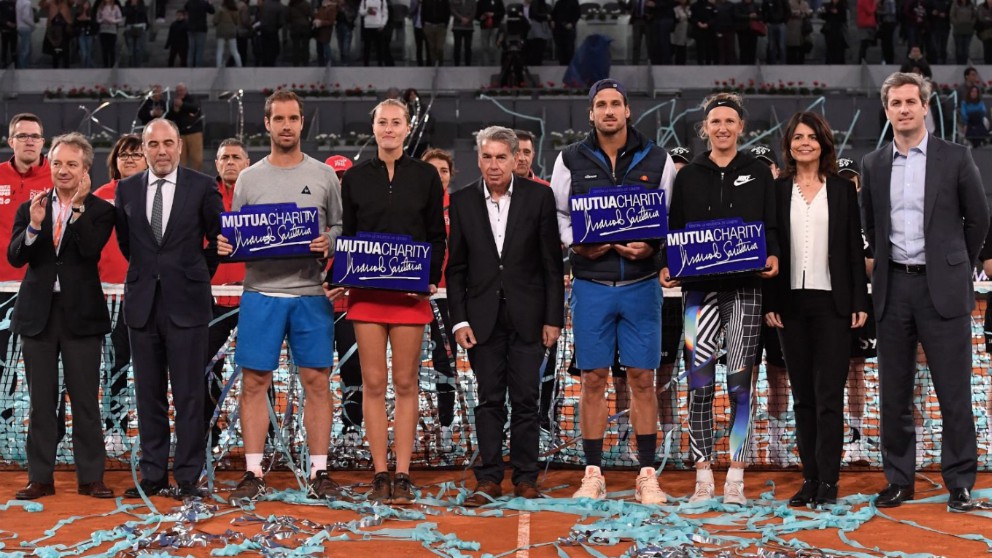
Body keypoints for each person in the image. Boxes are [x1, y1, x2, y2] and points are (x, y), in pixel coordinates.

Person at [862, 72, 989, 512]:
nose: (903, 109)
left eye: (910, 101)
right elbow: (871, 227)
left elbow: (979, 220)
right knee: (894, 393)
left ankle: (960, 484)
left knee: (954, 392)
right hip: (893, 288)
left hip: (944, 291)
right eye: (895, 103)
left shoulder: (956, 157)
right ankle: (900, 481)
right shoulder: (873, 164)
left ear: (924, 106)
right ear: (887, 110)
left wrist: (954, 262)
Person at [551, 79, 674, 504]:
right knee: (592, 379)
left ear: (627, 111)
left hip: (641, 287)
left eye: (615, 104)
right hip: (591, 285)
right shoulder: (568, 159)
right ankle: (593, 473)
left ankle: (645, 474)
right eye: (600, 104)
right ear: (591, 113)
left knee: (644, 379)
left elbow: (670, 219)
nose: (608, 111)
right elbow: (560, 215)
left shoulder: (658, 159)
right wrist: (576, 243)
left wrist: (652, 247)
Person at [219, 91, 342, 504]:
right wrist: (227, 244)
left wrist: (330, 240)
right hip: (260, 295)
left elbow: (341, 227)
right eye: (279, 119)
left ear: (302, 123)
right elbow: (238, 237)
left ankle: (320, 470)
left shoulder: (325, 175)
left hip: (311, 294)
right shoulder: (249, 178)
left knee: (316, 382)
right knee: (255, 382)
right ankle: (253, 471)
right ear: (267, 124)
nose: (286, 126)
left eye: (293, 118)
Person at [660, 91, 779, 505]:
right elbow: (673, 229)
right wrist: (667, 261)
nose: (723, 128)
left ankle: (736, 477)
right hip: (698, 294)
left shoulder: (758, 173)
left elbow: (773, 224)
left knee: (741, 385)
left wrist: (775, 253)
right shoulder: (688, 175)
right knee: (699, 386)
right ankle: (703, 475)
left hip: (746, 290)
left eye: (730, 121)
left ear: (741, 128)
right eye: (715, 122)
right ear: (705, 128)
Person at [334, 98, 446, 504]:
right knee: (374, 384)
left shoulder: (426, 177)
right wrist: (342, 276)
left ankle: (403, 472)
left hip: (409, 295)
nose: (389, 129)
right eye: (383, 122)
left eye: (396, 122)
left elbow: (437, 235)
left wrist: (428, 279)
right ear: (374, 127)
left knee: (405, 383)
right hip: (366, 296)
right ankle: (380, 472)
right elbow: (348, 234)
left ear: (407, 128)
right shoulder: (355, 178)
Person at [448, 127, 563, 506]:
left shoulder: (540, 198)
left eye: (501, 157)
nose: (493, 165)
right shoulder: (461, 201)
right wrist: (460, 320)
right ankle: (489, 478)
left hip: (530, 318)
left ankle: (527, 477)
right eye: (487, 157)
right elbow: (457, 269)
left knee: (528, 399)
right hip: (481, 320)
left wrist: (554, 318)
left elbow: (551, 264)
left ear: (516, 159)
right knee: (489, 399)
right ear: (478, 160)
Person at [763, 112, 868, 507]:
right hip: (790, 305)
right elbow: (769, 248)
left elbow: (853, 252)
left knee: (829, 397)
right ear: (788, 144)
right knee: (803, 398)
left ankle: (829, 480)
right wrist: (771, 300)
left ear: (823, 143)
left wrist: (859, 300)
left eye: (811, 137)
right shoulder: (775, 191)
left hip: (834, 305)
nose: (804, 142)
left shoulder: (843, 190)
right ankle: (809, 478)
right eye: (797, 137)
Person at [116, 118, 223, 500]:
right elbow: (129, 245)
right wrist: (152, 273)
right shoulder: (126, 189)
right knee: (148, 393)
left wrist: (196, 274)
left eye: (167, 143)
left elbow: (218, 238)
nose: (160, 151)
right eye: (152, 144)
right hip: (142, 306)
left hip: (188, 305)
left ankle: (190, 476)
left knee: (191, 393)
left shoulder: (202, 185)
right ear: (142, 149)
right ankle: (154, 475)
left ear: (180, 146)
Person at [8, 133, 116, 501]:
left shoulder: (102, 210)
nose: (63, 170)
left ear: (85, 169)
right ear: (49, 166)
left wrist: (81, 206)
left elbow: (87, 250)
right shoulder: (31, 207)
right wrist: (36, 225)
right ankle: (40, 478)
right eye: (57, 163)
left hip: (82, 319)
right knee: (41, 402)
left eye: (72, 164)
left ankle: (91, 478)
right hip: (37, 317)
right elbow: (16, 257)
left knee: (85, 401)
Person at [93, 134, 146, 456]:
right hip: (111, 299)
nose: (129, 159)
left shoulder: (159, 195)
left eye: (136, 154)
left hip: (149, 296)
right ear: (114, 160)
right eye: (124, 154)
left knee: (155, 367)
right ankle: (115, 428)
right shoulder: (99, 197)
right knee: (115, 366)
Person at [0, 114, 52, 425]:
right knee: (1, 363)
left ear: (43, 142)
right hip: (0, 286)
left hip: (40, 287)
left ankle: (49, 430)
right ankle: (4, 428)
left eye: (35, 135)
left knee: (44, 364)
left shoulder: (57, 176)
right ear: (11, 142)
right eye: (22, 136)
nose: (29, 140)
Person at [746, 144, 790, 468]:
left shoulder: (789, 207)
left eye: (768, 166)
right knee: (744, 375)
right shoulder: (737, 205)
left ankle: (776, 443)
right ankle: (744, 441)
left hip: (778, 305)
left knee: (779, 375)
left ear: (776, 171)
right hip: (744, 301)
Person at [203, 139, 250, 449]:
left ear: (247, 162)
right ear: (217, 163)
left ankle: (265, 438)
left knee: (259, 369)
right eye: (224, 157)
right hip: (212, 300)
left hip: (253, 298)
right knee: (207, 369)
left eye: (236, 157)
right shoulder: (204, 196)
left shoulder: (262, 193)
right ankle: (208, 433)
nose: (230, 162)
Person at [836, 156, 875, 465]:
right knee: (826, 372)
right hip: (828, 306)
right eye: (842, 178)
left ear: (858, 186)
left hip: (861, 306)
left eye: (852, 180)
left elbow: (873, 266)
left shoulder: (868, 221)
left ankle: (857, 439)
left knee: (857, 372)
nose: (848, 184)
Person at [324, 155, 364, 443]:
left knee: (353, 368)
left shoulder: (363, 214)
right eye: (336, 177)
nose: (340, 182)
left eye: (344, 177)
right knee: (317, 370)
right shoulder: (314, 212)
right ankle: (319, 428)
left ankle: (352, 427)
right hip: (319, 306)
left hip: (350, 306)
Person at [421, 148, 457, 452]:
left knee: (446, 364)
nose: (437, 176)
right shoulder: (411, 208)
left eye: (443, 170)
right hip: (414, 297)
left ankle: (446, 425)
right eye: (431, 170)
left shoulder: (461, 207)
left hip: (448, 298)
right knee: (403, 367)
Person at [165, 83, 204, 172]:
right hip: (180, 134)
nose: (180, 92)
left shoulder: (192, 99)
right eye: (178, 91)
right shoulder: (174, 102)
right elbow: (169, 117)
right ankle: (181, 177)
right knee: (180, 159)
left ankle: (196, 176)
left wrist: (182, 105)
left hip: (194, 133)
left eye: (181, 90)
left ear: (185, 90)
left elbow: (195, 108)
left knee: (197, 159)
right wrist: (174, 110)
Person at [40, 0, 73, 68]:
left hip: (65, 28)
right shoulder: (51, 3)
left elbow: (72, 2)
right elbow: (41, 4)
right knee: (55, 50)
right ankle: (55, 68)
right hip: (54, 28)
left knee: (65, 51)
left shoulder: (66, 3)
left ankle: (66, 68)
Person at [184, 0, 214, 67]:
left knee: (191, 49)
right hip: (201, 28)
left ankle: (189, 66)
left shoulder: (189, 3)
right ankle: (198, 66)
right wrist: (210, 3)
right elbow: (212, 11)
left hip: (190, 27)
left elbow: (185, 9)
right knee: (200, 49)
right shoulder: (204, 3)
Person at [213, 0, 243, 67]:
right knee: (234, 50)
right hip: (231, 31)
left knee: (220, 50)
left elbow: (215, 20)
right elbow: (236, 21)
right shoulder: (234, 9)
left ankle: (218, 65)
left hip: (221, 31)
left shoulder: (220, 9)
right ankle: (240, 65)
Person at [359, 0, 389, 66]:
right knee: (367, 47)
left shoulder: (382, 1)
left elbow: (385, 14)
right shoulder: (364, 1)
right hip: (367, 26)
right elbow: (361, 12)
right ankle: (366, 64)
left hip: (378, 26)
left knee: (379, 47)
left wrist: (382, 25)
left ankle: (380, 64)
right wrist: (367, 11)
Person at [421, 0, 449, 65]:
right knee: (432, 47)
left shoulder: (444, 1)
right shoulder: (426, 1)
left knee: (439, 47)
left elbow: (447, 11)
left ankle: (440, 62)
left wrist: (445, 25)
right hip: (429, 25)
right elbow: (422, 13)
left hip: (440, 26)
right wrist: (424, 26)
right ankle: (434, 65)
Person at [475, 0, 504, 65]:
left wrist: (493, 14)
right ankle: (486, 65)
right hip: (484, 27)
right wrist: (480, 18)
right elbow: (476, 14)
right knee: (485, 47)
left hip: (495, 26)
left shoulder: (498, 1)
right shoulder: (480, 2)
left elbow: (502, 12)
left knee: (497, 46)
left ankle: (498, 64)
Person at [550, 0, 578, 66]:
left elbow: (577, 14)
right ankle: (562, 66)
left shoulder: (574, 2)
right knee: (560, 50)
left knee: (569, 49)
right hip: (558, 29)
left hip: (569, 29)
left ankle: (569, 67)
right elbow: (553, 14)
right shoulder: (558, 2)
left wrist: (572, 23)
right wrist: (552, 21)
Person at [95, 0, 122, 68]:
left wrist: (112, 21)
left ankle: (112, 65)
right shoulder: (101, 7)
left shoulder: (115, 7)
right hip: (103, 30)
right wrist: (102, 20)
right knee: (104, 49)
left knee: (112, 49)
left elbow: (120, 18)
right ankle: (105, 66)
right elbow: (98, 19)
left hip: (112, 30)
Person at [121, 0, 147, 67]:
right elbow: (125, 13)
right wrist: (132, 7)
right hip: (130, 27)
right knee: (131, 49)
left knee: (138, 49)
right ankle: (131, 65)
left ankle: (138, 65)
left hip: (140, 27)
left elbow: (143, 12)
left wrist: (136, 6)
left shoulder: (141, 3)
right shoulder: (127, 4)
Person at [451, 0, 476, 65]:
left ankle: (468, 65)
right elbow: (452, 10)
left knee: (468, 47)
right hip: (457, 27)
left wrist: (468, 19)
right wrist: (461, 18)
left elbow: (474, 11)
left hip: (469, 27)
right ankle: (456, 65)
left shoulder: (472, 1)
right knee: (457, 47)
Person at [950, 0, 976, 65]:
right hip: (958, 30)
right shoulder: (955, 4)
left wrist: (971, 23)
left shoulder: (970, 4)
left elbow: (974, 16)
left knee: (966, 49)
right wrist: (956, 23)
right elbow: (952, 15)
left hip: (968, 29)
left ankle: (964, 63)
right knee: (959, 49)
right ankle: (959, 63)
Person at [313, 0, 338, 67]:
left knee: (325, 46)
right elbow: (318, 15)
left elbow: (331, 21)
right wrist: (316, 19)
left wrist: (321, 22)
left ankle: (328, 61)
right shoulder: (322, 7)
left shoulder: (332, 8)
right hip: (319, 31)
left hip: (326, 31)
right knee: (319, 48)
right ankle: (321, 63)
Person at [74, 0, 96, 67]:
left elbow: (95, 25)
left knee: (88, 53)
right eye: (84, 4)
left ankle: (88, 67)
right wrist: (79, 20)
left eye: (87, 4)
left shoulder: (91, 14)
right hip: (81, 34)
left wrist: (88, 20)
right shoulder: (78, 13)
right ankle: (84, 66)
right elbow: (74, 24)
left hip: (89, 34)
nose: (85, 6)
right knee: (83, 53)